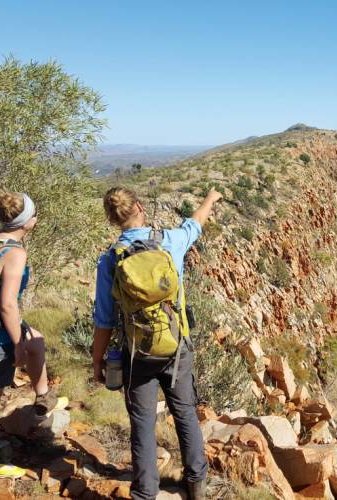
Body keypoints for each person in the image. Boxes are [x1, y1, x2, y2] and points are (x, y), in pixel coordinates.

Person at [93, 187, 223, 500]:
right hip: (177, 347)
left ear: (113, 219)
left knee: (142, 423)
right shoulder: (170, 241)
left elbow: (105, 320)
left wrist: (97, 361)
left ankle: (145, 493)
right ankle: (196, 483)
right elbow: (195, 224)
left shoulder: (110, 260)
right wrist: (210, 199)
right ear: (139, 206)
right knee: (185, 413)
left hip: (138, 354)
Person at [0, 192, 57, 480]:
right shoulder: (15, 253)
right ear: (27, 222)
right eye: (34, 214)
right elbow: (8, 304)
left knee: (37, 340)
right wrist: (17, 343)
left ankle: (43, 396)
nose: (37, 217)